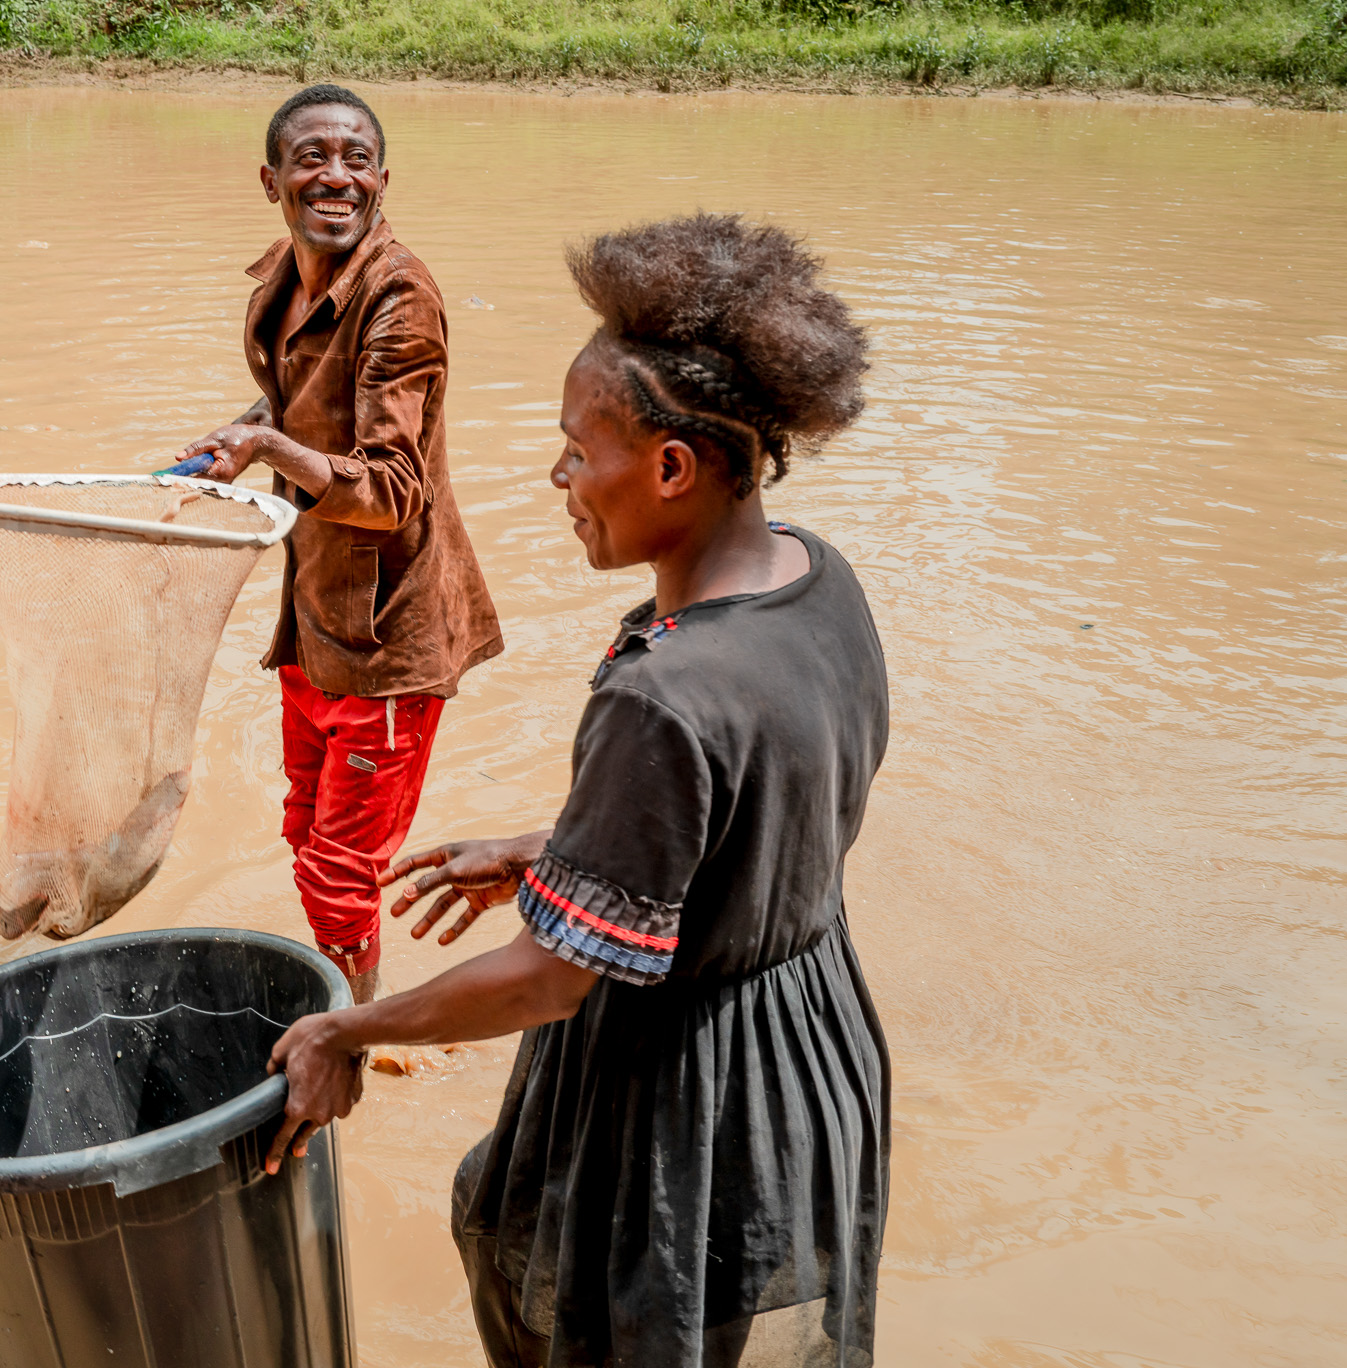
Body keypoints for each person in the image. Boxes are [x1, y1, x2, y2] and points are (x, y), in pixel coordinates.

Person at [262, 214, 889, 1367]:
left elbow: (552, 981)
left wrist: (345, 1028)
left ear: (668, 467)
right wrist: (558, 848)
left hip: (679, 1085)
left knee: (581, 1303)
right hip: (809, 1050)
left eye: (574, 448)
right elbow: (763, 803)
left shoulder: (664, 691)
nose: (557, 478)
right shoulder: (815, 578)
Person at [179, 85, 503, 1004]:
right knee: (303, 831)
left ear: (383, 180)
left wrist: (274, 449)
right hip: (315, 616)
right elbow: (293, 409)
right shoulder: (285, 274)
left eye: (356, 159)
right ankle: (351, 1004)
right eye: (313, 157)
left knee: (339, 866)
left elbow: (395, 491)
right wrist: (240, 441)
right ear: (271, 179)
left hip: (389, 634)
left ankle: (358, 1039)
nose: (336, 176)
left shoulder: (402, 299)